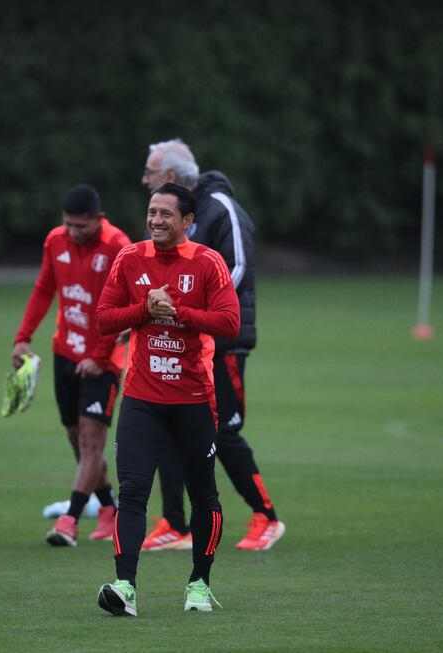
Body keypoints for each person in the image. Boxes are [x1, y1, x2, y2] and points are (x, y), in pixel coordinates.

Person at [95, 183, 239, 616]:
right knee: (133, 491)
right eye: (152, 212)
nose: (155, 220)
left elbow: (230, 322)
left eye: (166, 215)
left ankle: (199, 583)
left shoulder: (208, 262)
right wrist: (145, 309)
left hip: (194, 399)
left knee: (204, 496)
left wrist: (177, 311)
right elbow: (104, 320)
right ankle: (126, 586)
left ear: (188, 221)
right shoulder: (130, 257)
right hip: (140, 397)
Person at [139, 138, 285, 552]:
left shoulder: (220, 206)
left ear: (169, 175)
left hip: (223, 342)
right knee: (166, 424)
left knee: (222, 431)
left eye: (150, 172)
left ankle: (266, 516)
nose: (144, 179)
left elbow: (238, 267)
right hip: (181, 341)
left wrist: (195, 315)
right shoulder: (169, 216)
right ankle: (174, 523)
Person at [12, 184, 132, 547]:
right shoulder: (56, 241)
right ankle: (110, 509)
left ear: (99, 218)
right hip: (66, 352)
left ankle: (69, 520)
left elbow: (127, 311)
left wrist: (98, 356)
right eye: (69, 225)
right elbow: (44, 289)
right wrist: (23, 336)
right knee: (77, 440)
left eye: (82, 226)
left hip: (105, 358)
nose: (74, 232)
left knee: (92, 441)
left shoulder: (118, 245)